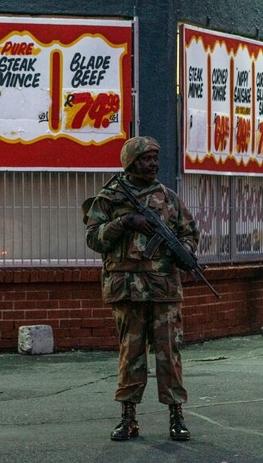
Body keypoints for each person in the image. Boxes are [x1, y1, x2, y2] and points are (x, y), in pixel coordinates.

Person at [83, 136, 200, 442]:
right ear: (132, 163)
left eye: (155, 158)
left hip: (164, 288)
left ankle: (176, 415)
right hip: (127, 288)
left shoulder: (168, 198)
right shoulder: (110, 198)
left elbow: (190, 233)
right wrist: (126, 222)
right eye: (147, 159)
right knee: (131, 354)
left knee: (169, 353)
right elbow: (94, 238)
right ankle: (128, 418)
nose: (154, 164)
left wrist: (184, 252)